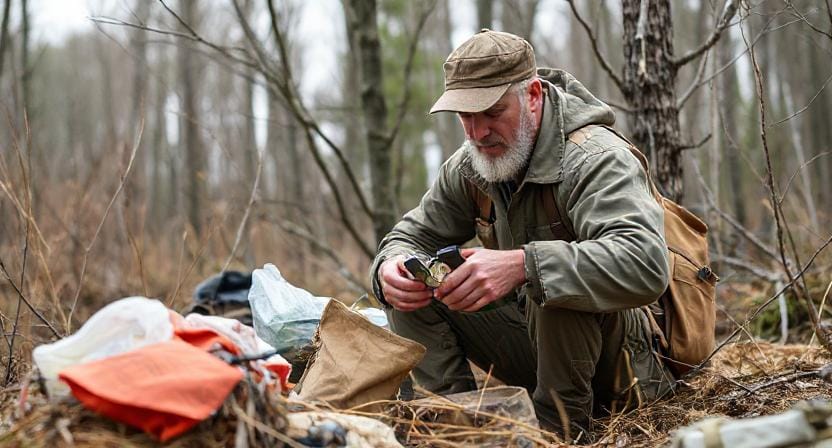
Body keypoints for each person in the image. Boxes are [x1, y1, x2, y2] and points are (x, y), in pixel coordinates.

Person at [369, 29, 674, 436]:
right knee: (413, 283)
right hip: (542, 354)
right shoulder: (471, 165)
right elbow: (410, 236)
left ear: (532, 95)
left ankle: (554, 435)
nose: (477, 132)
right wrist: (389, 269)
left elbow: (645, 264)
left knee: (545, 276)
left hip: (627, 370)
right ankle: (454, 431)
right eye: (465, 116)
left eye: (492, 112)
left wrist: (522, 265)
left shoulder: (595, 158)